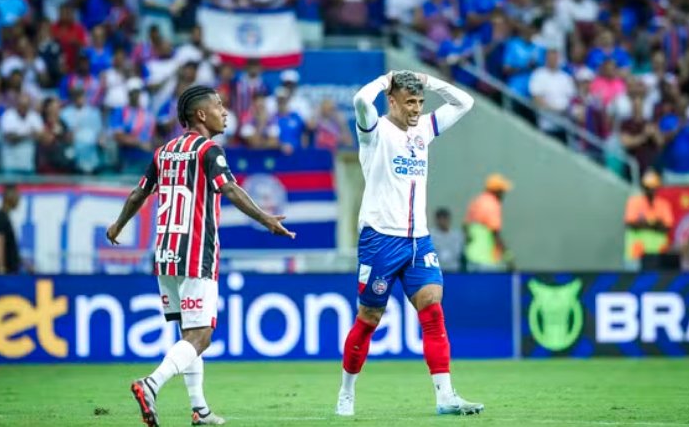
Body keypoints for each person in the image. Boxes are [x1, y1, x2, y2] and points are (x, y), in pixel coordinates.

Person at [105, 85, 295, 427]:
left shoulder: (164, 152)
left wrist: (118, 225)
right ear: (201, 115)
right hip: (196, 252)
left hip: (165, 252)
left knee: (188, 334)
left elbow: (139, 193)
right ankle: (151, 384)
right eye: (219, 106)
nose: (225, 112)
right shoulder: (209, 151)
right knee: (201, 336)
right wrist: (267, 219)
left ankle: (200, 409)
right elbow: (231, 189)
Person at [335, 71, 483, 417]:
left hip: (419, 241)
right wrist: (385, 78)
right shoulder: (373, 130)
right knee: (369, 318)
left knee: (433, 310)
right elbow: (359, 99)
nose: (416, 109)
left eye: (420, 102)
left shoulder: (424, 130)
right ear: (392, 101)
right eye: (409, 102)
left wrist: (428, 81)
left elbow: (466, 102)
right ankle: (346, 391)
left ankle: (445, 396)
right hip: (380, 239)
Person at [623, 170, 673, 270]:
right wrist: (654, 223)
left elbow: (667, 227)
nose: (650, 191)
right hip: (636, 252)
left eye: (653, 188)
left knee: (658, 283)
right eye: (648, 188)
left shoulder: (663, 204)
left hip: (658, 252)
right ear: (643, 188)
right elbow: (631, 223)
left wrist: (645, 222)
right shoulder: (634, 202)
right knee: (634, 282)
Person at [463, 174, 514, 271]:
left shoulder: (477, 201)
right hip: (486, 259)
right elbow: (495, 233)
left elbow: (465, 227)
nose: (503, 194)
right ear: (496, 191)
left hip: (471, 256)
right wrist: (508, 257)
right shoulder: (492, 204)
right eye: (502, 191)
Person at [0, 184, 21, 274]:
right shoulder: (0, 219)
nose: (19, 200)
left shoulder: (4, 218)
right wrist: (0, 269)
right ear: (9, 197)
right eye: (17, 196)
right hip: (3, 274)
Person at [429, 207, 463, 272]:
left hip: (454, 270)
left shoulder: (456, 235)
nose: (442, 221)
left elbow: (458, 253)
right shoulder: (431, 236)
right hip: (437, 271)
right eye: (440, 219)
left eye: (445, 218)